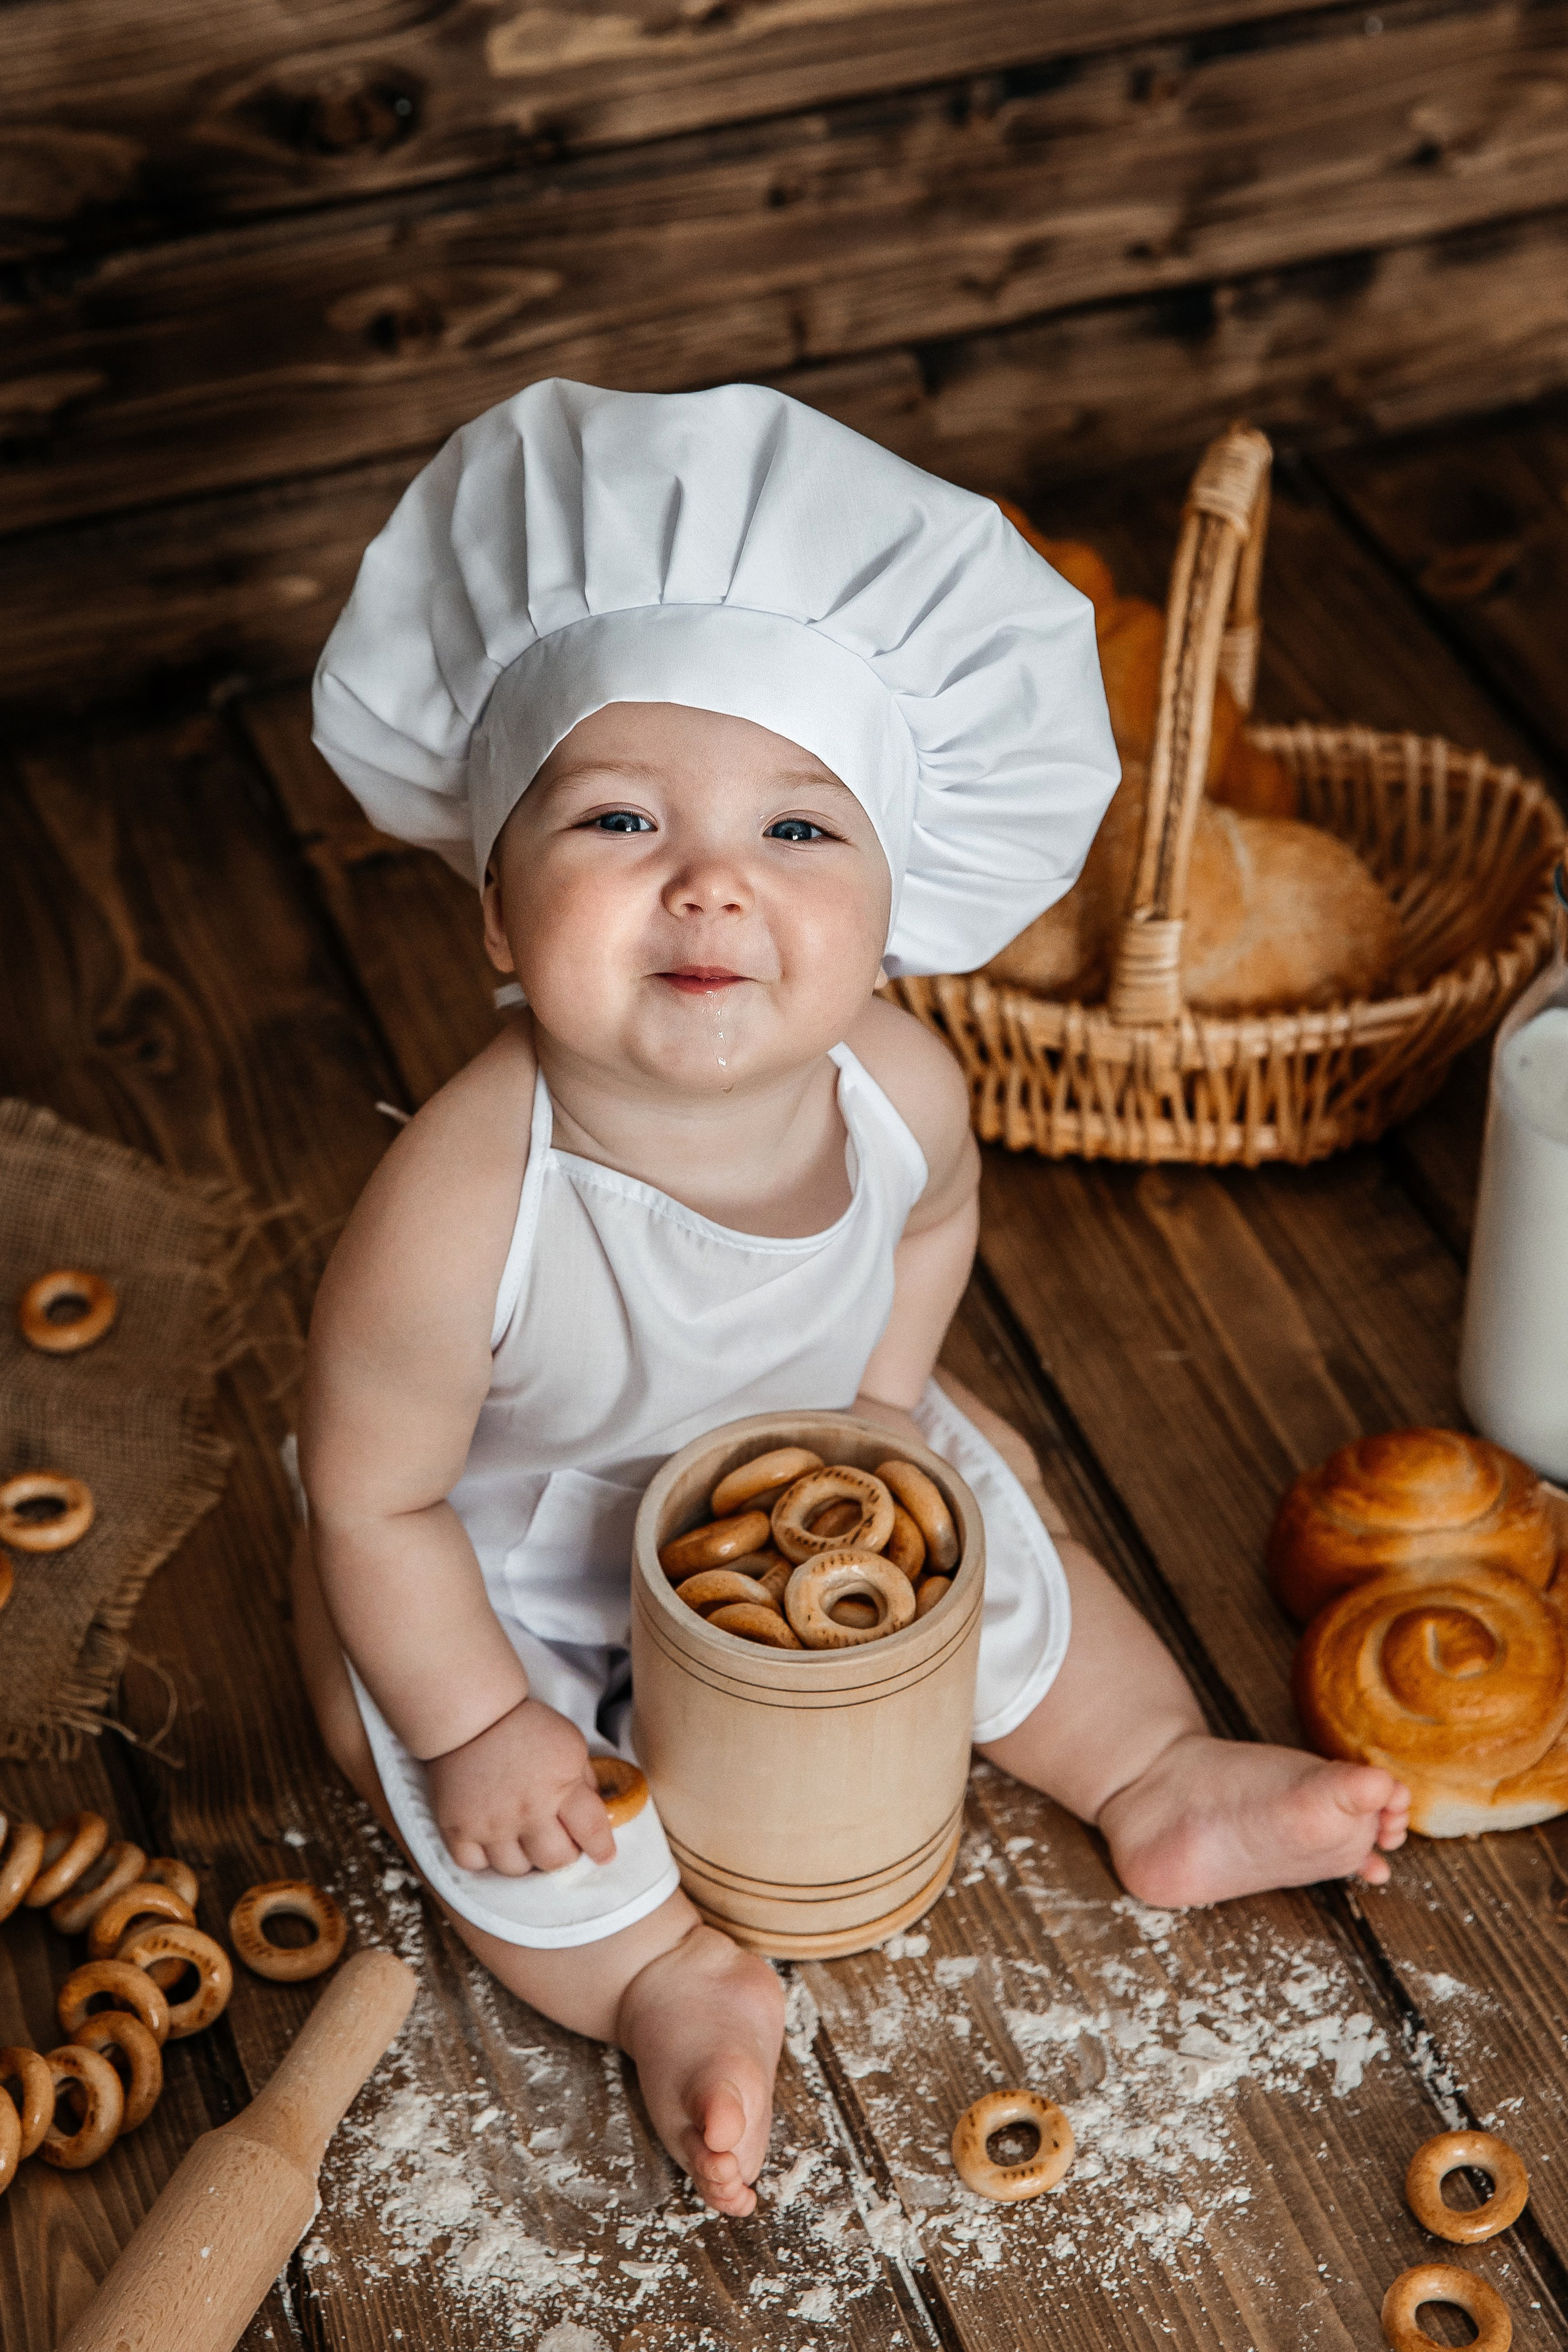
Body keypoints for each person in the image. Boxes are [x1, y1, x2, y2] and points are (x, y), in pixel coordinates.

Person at [295, 379, 1410, 2220]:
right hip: (507, 1545)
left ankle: (1154, 1771)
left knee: (1013, 1557)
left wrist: (888, 1398)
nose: (714, 881)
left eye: (801, 835)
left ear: (896, 915)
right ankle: (668, 1978)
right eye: (621, 820)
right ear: (496, 913)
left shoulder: (899, 1093)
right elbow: (370, 1494)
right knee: (472, 1803)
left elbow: (924, 1233)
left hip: (810, 1457)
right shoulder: (460, 1202)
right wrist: (481, 1719)